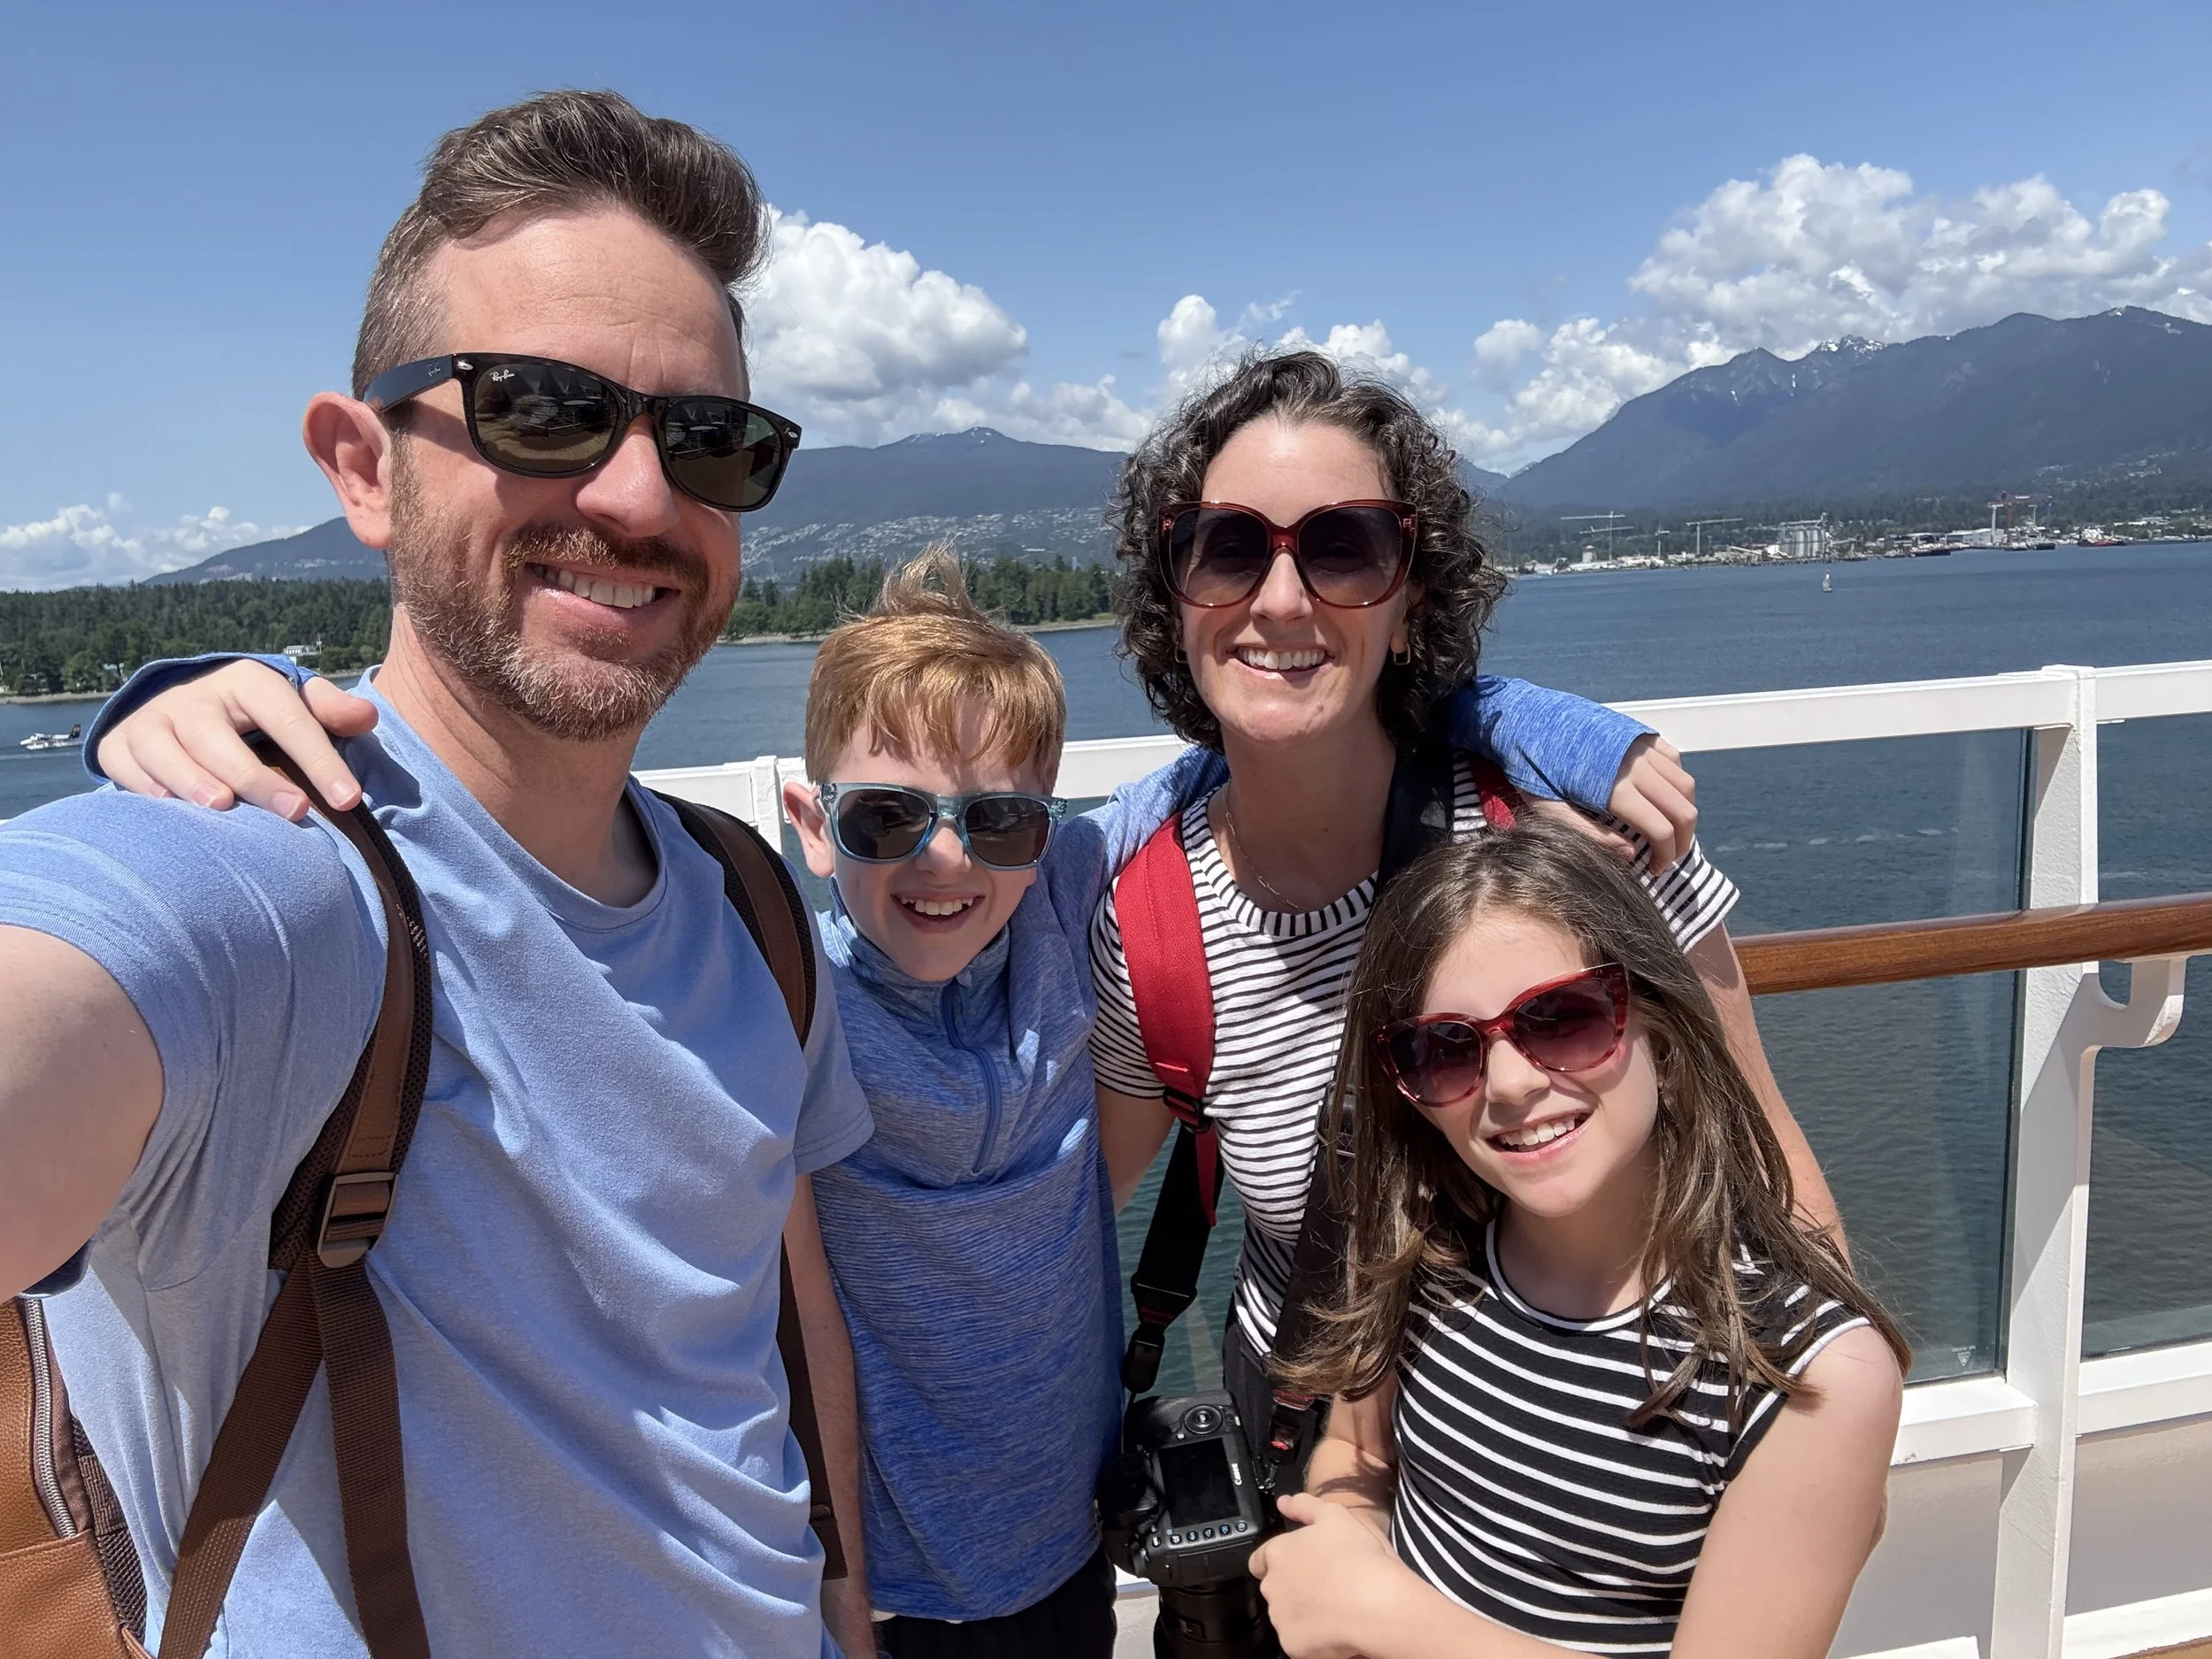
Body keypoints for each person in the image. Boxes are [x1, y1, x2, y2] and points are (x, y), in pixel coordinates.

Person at [85, 555, 1673, 1657]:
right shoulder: (762, 956)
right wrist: (199, 700)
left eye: (992, 817)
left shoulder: (1061, 891)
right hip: (863, 1577)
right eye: (887, 816)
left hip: (1057, 1543)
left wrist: (1533, 722)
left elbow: (1288, 723)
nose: (942, 860)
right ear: (804, 811)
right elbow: (522, 838)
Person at [0, 91, 885, 1658]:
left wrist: (846, 1603)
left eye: (708, 441)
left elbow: (777, 1323)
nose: (634, 497)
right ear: (360, 468)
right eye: (542, 410)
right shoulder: (255, 884)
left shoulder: (755, 906)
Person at [1088, 349, 1841, 1475]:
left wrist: (1834, 1430)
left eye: (1345, 548)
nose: (1281, 600)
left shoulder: (1573, 839)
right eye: (1230, 548)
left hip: (1599, 1432)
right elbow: (1051, 1217)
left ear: (1413, 593)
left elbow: (1766, 1166)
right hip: (1306, 1430)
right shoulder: (1148, 920)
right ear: (1178, 590)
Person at [1247, 823, 1905, 1658]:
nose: (1514, 1083)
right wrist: (1345, 1534)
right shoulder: (1425, 1245)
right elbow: (1357, 1449)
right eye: (1446, 1049)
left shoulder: (1807, 1374)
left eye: (1561, 1019)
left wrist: (1385, 1615)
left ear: (1661, 1040)